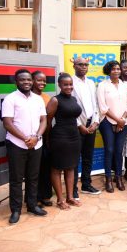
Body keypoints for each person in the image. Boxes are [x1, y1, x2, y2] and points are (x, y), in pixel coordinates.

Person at [2, 69, 48, 224]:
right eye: (23, 80)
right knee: (16, 178)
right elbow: (7, 123)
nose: (27, 82)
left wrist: (36, 137)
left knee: (33, 176)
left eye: (29, 80)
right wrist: (26, 138)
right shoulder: (10, 99)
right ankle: (15, 210)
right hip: (16, 144)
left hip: (36, 143)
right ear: (16, 82)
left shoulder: (38, 99)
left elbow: (44, 121)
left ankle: (32, 205)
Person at [46, 73, 83, 210]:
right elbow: (48, 121)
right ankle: (60, 200)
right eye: (65, 84)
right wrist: (47, 139)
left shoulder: (73, 99)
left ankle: (70, 197)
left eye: (70, 84)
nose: (69, 87)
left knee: (71, 167)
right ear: (59, 85)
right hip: (60, 137)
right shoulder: (55, 100)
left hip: (74, 136)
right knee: (56, 168)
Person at [97, 60, 127, 193]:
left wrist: (121, 120)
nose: (116, 71)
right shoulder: (102, 85)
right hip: (107, 122)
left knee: (118, 151)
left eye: (118, 69)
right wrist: (118, 120)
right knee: (109, 150)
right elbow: (103, 107)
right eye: (113, 69)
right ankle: (108, 179)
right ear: (108, 71)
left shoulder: (124, 85)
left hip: (123, 122)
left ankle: (118, 177)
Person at [71, 57, 101, 199]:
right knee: (75, 158)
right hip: (77, 126)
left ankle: (86, 184)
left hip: (91, 125)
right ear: (74, 66)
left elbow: (95, 104)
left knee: (88, 156)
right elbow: (69, 107)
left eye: (86, 65)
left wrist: (95, 122)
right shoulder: (70, 82)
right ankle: (73, 189)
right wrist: (80, 125)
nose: (83, 67)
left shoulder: (90, 82)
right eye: (80, 64)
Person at [32, 71, 53, 207]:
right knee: (35, 171)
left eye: (44, 81)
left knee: (46, 169)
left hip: (46, 138)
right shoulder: (29, 97)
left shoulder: (47, 97)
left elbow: (49, 120)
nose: (42, 83)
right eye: (39, 80)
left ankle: (46, 196)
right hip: (33, 139)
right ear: (32, 80)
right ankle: (34, 198)